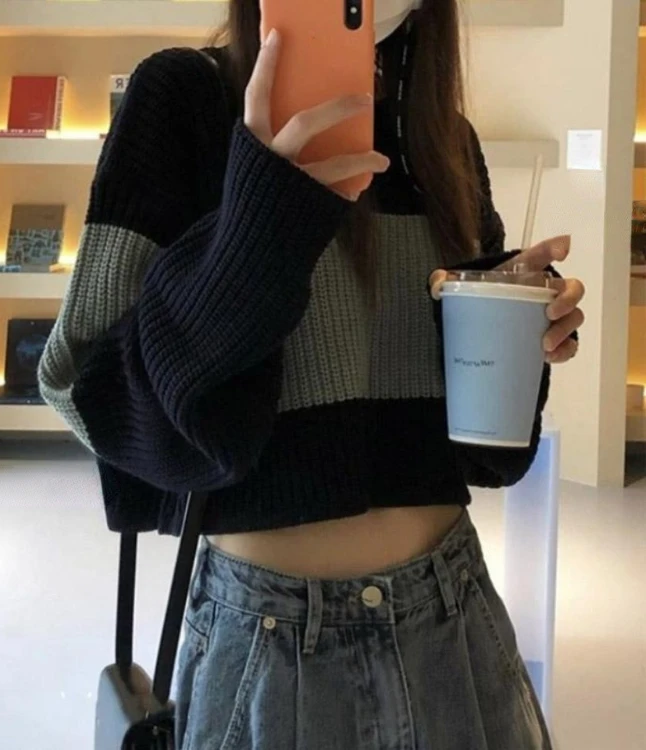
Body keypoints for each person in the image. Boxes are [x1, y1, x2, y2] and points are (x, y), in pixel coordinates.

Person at [39, 0, 585, 747]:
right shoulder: (185, 100)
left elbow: (479, 457)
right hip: (267, 644)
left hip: (453, 621)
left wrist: (514, 321)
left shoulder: (442, 140)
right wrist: (259, 225)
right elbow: (82, 387)